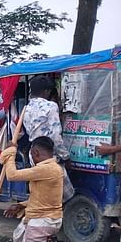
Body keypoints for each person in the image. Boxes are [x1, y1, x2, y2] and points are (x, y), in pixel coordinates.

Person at [24, 74, 74, 205]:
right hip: (48, 154)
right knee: (65, 194)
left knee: (42, 190)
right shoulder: (50, 106)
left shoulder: (26, 108)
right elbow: (55, 135)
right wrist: (65, 156)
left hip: (34, 154)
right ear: (46, 91)